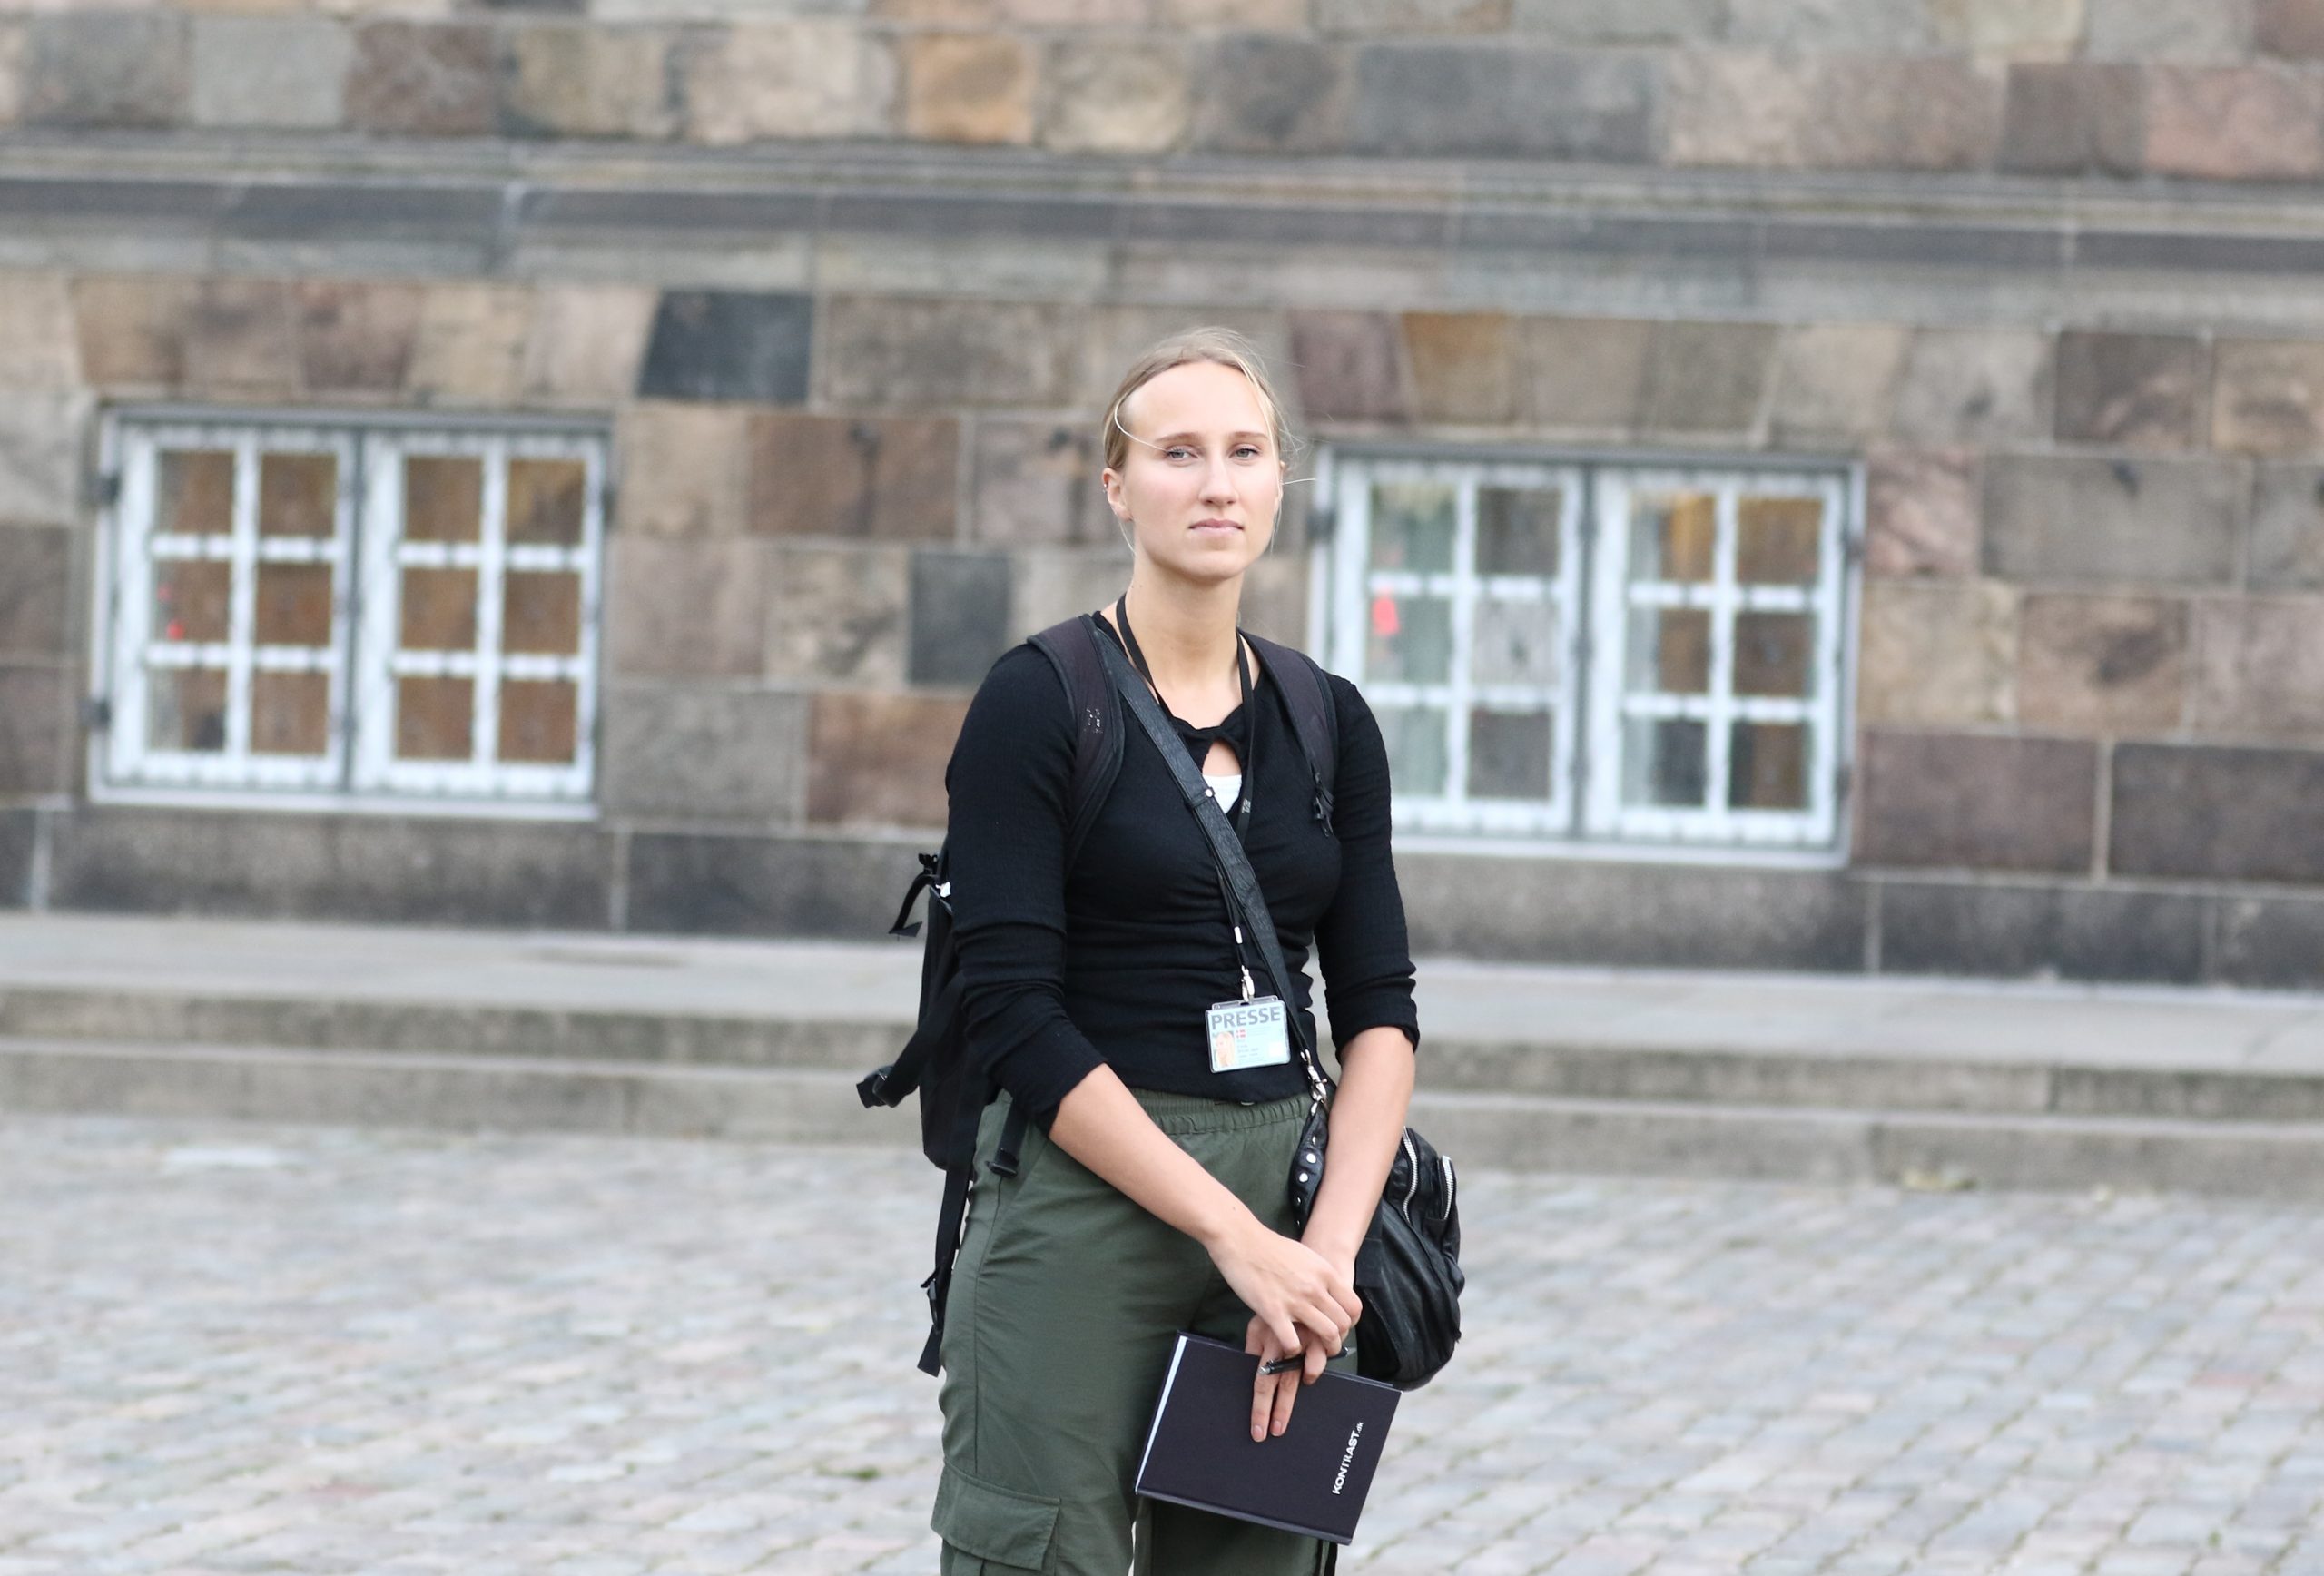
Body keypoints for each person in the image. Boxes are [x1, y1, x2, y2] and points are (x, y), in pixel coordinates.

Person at [931, 327, 1422, 1576]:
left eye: (1246, 452)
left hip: (1282, 1203)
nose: (1216, 482)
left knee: (1255, 1563)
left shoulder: (1326, 717)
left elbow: (1379, 1010)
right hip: (1083, 1203)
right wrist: (1228, 1236)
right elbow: (1016, 1017)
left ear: (1277, 484)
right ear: (1116, 485)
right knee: (1040, 1554)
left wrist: (1318, 1258)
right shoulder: (1041, 700)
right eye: (1179, 452)